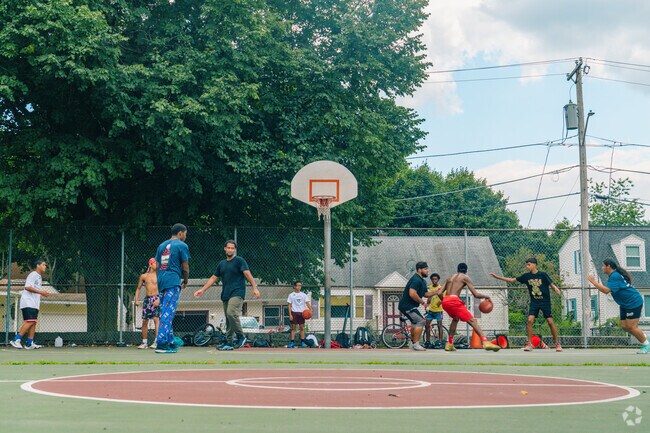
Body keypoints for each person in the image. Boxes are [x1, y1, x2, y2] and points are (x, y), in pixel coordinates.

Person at [194, 240, 260, 350]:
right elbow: (213, 278)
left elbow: (247, 273)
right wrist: (202, 290)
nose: (230, 250)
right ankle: (229, 342)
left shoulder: (239, 261)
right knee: (229, 319)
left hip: (237, 292)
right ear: (225, 249)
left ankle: (240, 336)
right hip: (226, 293)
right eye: (228, 248)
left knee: (231, 313)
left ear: (235, 250)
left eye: (232, 248)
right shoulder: (222, 264)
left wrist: (254, 288)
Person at [490, 258, 563, 352]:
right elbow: (512, 280)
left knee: (550, 322)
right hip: (534, 302)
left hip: (545, 302)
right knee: (529, 320)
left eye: (529, 264)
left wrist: (555, 288)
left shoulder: (543, 274)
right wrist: (498, 277)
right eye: (526, 264)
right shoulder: (526, 276)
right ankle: (529, 344)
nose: (527, 266)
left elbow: (551, 283)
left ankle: (557, 344)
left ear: (534, 264)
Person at [588, 258, 649, 354]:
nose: (602, 267)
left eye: (603, 265)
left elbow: (606, 290)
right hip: (625, 304)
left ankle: (646, 345)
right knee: (625, 326)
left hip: (633, 301)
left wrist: (593, 281)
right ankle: (643, 337)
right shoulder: (613, 275)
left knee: (632, 326)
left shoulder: (615, 276)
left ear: (608, 266)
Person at [436, 263, 500, 352]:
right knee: (472, 321)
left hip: (445, 301)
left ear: (457, 269)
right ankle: (485, 342)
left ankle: (449, 343)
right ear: (466, 270)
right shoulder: (465, 277)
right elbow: (475, 294)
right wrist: (487, 296)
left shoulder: (449, 278)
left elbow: (439, 293)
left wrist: (445, 300)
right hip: (454, 301)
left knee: (455, 319)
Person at [153, 223, 190, 354]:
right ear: (180, 233)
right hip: (173, 281)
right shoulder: (182, 245)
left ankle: (170, 342)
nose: (185, 236)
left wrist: (159, 281)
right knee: (168, 313)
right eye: (185, 233)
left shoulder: (161, 245)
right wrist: (185, 280)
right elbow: (185, 267)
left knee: (165, 311)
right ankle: (161, 344)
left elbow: (157, 266)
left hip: (162, 281)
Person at [10, 259, 49, 349]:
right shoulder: (33, 275)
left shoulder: (39, 276)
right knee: (30, 321)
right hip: (28, 302)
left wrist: (40, 293)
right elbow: (27, 287)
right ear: (38, 265)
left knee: (33, 322)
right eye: (43, 265)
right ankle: (16, 340)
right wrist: (41, 292)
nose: (45, 266)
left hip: (34, 304)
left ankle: (29, 343)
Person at [397, 261, 432, 351]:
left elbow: (424, 294)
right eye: (425, 269)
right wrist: (423, 303)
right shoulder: (416, 279)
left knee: (415, 323)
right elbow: (412, 293)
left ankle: (412, 344)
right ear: (419, 270)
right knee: (420, 321)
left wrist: (437, 292)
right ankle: (416, 344)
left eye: (428, 269)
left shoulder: (422, 281)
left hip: (409, 306)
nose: (428, 271)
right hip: (407, 306)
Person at [134, 258, 160, 349]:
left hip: (157, 299)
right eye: (155, 263)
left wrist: (159, 299)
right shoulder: (144, 276)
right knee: (145, 321)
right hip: (147, 300)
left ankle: (156, 341)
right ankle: (144, 342)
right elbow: (138, 288)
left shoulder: (160, 275)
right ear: (150, 264)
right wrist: (136, 299)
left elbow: (164, 288)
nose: (157, 264)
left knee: (156, 319)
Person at [287, 281, 312, 348]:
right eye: (297, 285)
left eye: (300, 285)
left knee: (301, 328)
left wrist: (310, 309)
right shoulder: (291, 295)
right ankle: (292, 342)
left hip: (302, 313)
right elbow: (289, 305)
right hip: (294, 312)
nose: (299, 287)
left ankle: (302, 342)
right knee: (293, 328)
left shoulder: (303, 295)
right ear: (294, 286)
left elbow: (307, 303)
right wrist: (290, 315)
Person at [424, 273, 445, 349]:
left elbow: (444, 298)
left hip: (439, 311)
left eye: (435, 279)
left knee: (439, 326)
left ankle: (440, 342)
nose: (434, 280)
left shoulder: (441, 288)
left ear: (438, 280)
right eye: (433, 279)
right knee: (427, 325)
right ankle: (428, 341)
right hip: (431, 310)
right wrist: (427, 304)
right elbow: (429, 297)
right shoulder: (430, 287)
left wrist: (440, 303)